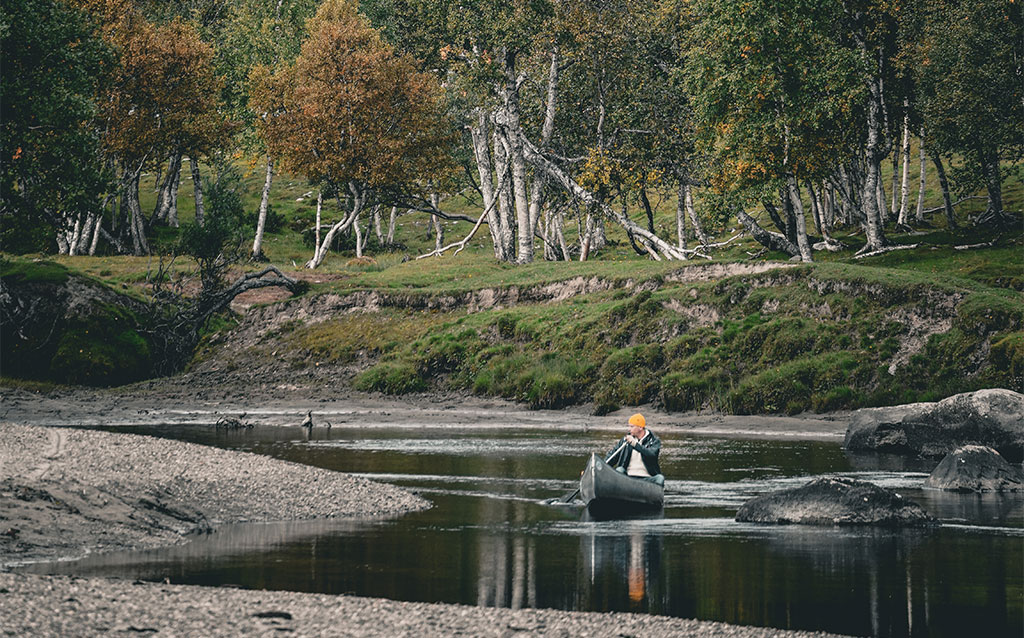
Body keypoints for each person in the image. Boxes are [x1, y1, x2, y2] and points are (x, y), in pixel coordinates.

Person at [606, 413, 664, 486]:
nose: (629, 429)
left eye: (632, 426)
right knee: (619, 470)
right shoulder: (625, 440)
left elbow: (651, 454)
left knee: (660, 478)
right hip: (628, 477)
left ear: (640, 427)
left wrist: (635, 444)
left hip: (647, 478)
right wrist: (601, 466)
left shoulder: (654, 441)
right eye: (629, 426)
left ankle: (653, 493)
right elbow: (613, 456)